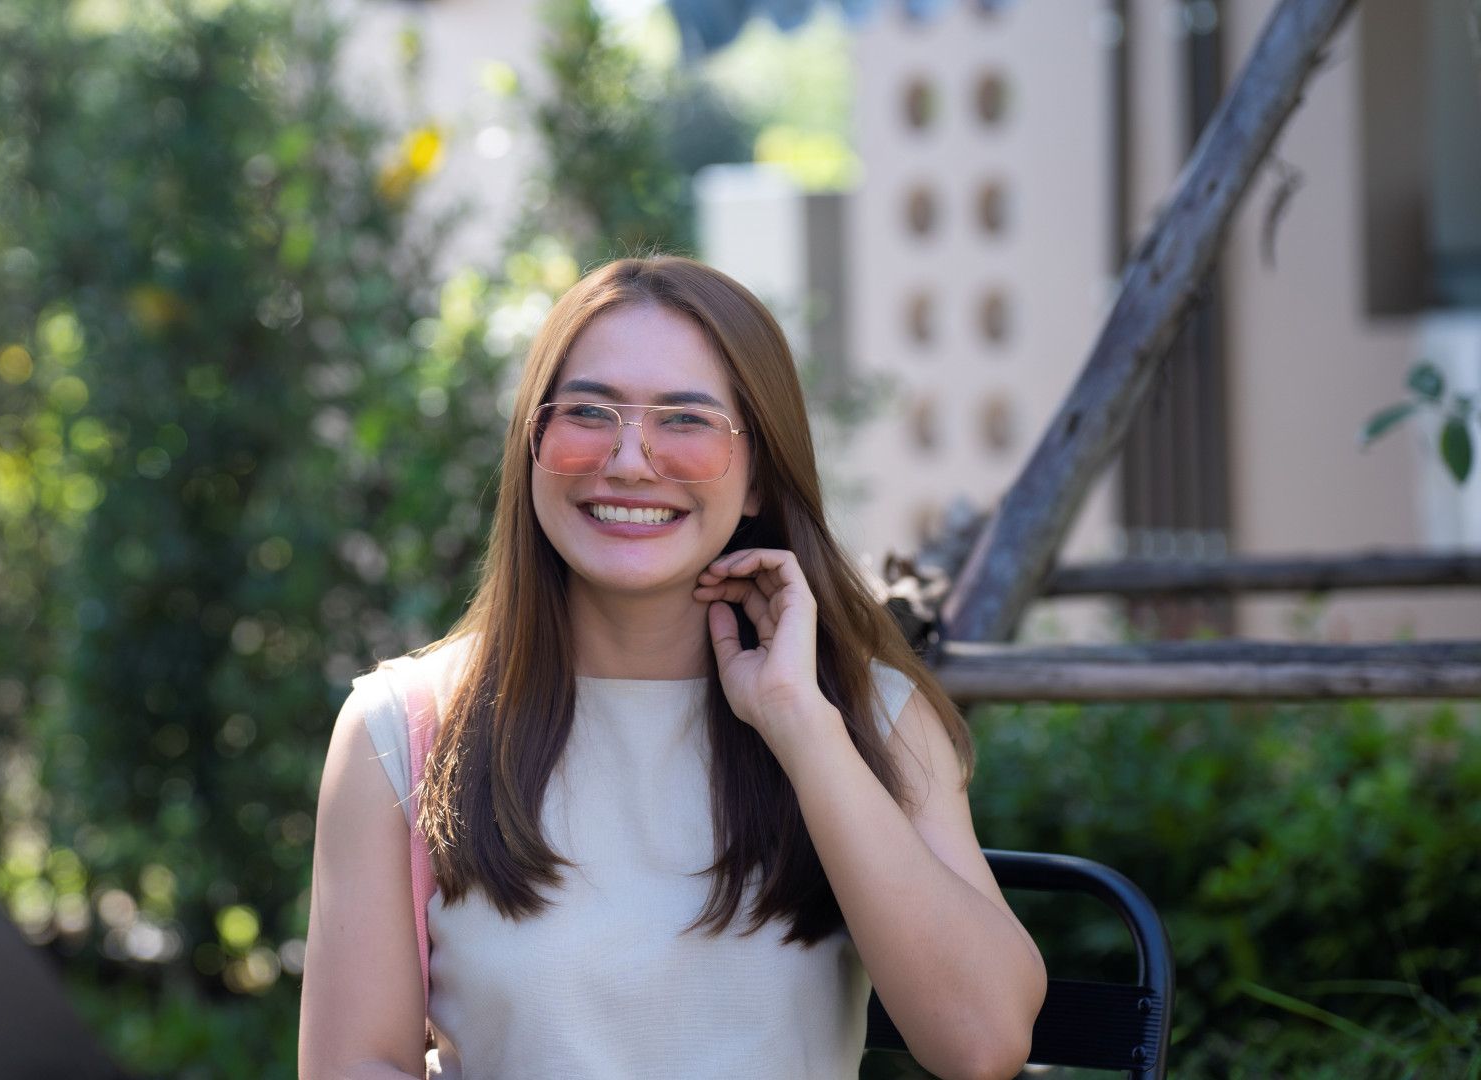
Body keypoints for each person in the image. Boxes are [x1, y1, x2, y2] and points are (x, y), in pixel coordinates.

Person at [299, 257, 1046, 1079]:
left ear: (759, 470)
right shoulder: (400, 732)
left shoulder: (869, 716)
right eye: (588, 411)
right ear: (532, 445)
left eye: (685, 421)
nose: (628, 461)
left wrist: (800, 722)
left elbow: (984, 1041)